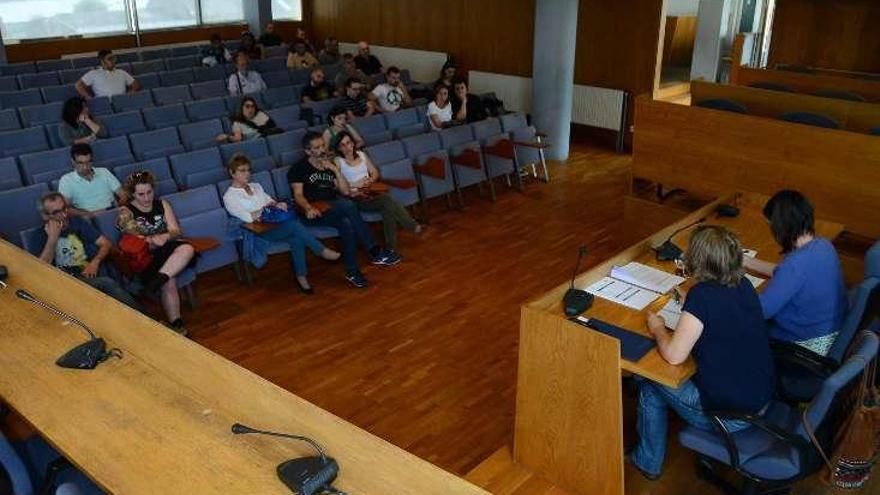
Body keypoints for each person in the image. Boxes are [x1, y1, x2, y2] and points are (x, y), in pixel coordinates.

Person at [630, 225, 774, 480]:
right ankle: (647, 458)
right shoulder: (743, 285)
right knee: (653, 383)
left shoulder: (702, 296)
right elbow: (722, 316)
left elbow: (675, 356)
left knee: (650, 379)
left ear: (698, 260)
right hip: (761, 399)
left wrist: (658, 329)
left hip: (730, 417)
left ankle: (648, 461)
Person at [288, 132, 401, 288]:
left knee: (346, 222)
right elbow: (298, 195)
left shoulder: (328, 165)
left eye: (323, 145)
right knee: (347, 205)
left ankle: (352, 272)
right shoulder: (298, 168)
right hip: (314, 210)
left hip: (333, 206)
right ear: (308, 151)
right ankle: (374, 251)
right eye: (317, 147)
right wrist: (308, 207)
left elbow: (345, 191)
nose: (322, 150)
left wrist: (335, 170)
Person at [743, 190, 847, 355]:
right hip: (833, 330)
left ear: (780, 227)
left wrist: (730, 290)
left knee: (738, 329)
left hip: (805, 344)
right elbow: (785, 274)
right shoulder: (823, 245)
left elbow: (760, 311)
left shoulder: (795, 265)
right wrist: (747, 261)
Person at [222, 154, 340, 294]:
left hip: (273, 224)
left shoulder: (256, 186)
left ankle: (301, 277)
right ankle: (321, 251)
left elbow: (269, 201)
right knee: (294, 225)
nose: (247, 174)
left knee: (296, 238)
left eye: (248, 170)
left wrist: (277, 205)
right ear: (232, 173)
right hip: (258, 232)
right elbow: (247, 217)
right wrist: (265, 209)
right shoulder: (229, 196)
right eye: (242, 170)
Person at [117, 171, 196, 334]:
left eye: (149, 192)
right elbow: (135, 241)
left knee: (186, 250)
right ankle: (176, 323)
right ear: (133, 194)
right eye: (141, 194)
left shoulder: (162, 204)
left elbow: (175, 230)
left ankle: (175, 322)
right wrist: (152, 240)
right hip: (146, 258)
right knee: (172, 276)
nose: (146, 198)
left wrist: (164, 236)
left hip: (168, 251)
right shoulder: (126, 212)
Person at [36, 192, 142, 310]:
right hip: (68, 281)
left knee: (114, 259)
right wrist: (52, 239)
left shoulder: (76, 222)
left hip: (90, 271)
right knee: (107, 284)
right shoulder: (41, 235)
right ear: (45, 216)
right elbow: (41, 270)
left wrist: (95, 262)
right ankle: (146, 317)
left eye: (64, 208)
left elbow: (105, 243)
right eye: (56, 212)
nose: (64, 215)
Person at [333, 131, 421, 252]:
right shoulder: (338, 161)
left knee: (388, 207)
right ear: (338, 148)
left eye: (348, 143)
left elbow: (375, 173)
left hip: (369, 192)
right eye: (342, 145)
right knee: (387, 201)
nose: (347, 147)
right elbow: (336, 184)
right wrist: (355, 184)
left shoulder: (361, 154)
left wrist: (369, 180)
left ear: (353, 143)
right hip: (355, 197)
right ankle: (410, 225)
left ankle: (391, 248)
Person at [58, 143, 126, 217]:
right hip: (89, 218)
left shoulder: (104, 172)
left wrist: (121, 205)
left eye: (88, 162)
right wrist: (90, 214)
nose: (85, 167)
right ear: (73, 161)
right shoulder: (66, 180)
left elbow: (122, 194)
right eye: (80, 163)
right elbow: (65, 208)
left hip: (113, 212)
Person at [76, 50, 140, 99]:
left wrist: (131, 92)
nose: (113, 61)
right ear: (102, 61)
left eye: (113, 58)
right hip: (103, 103)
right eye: (109, 59)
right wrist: (87, 97)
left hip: (122, 100)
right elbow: (78, 85)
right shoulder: (93, 73)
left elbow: (135, 84)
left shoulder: (121, 72)